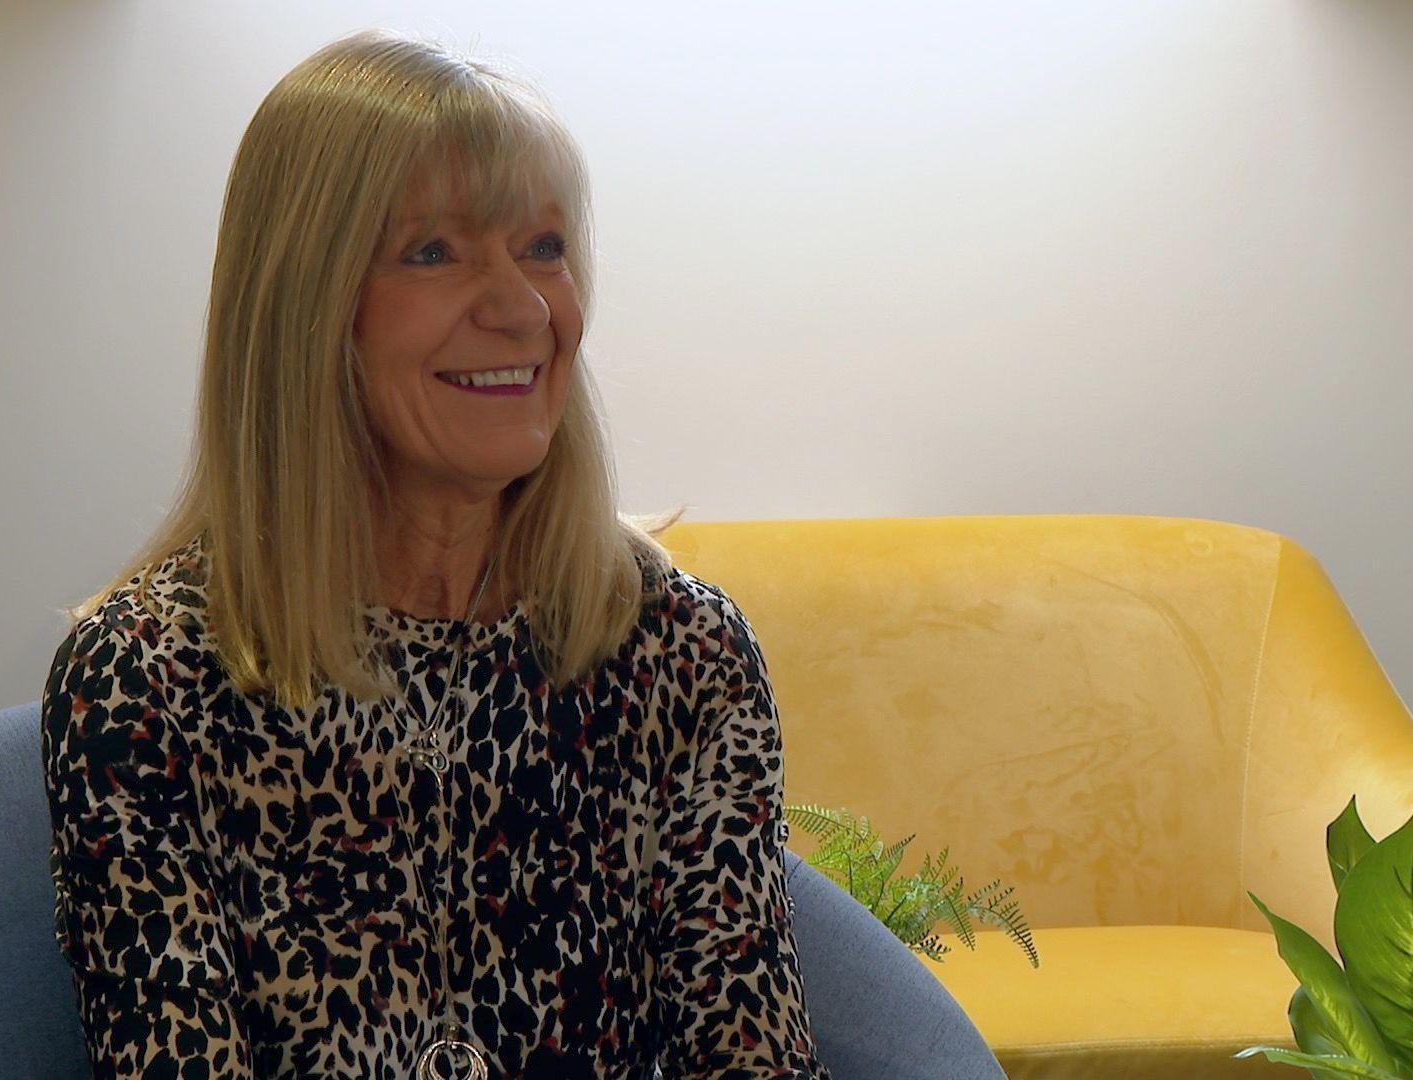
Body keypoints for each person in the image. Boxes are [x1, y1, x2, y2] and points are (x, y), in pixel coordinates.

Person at [40, 26, 832, 1079]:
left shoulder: (682, 650)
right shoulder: (144, 678)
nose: (521, 309)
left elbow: (749, 1053)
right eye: (435, 251)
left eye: (543, 247)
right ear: (308, 309)